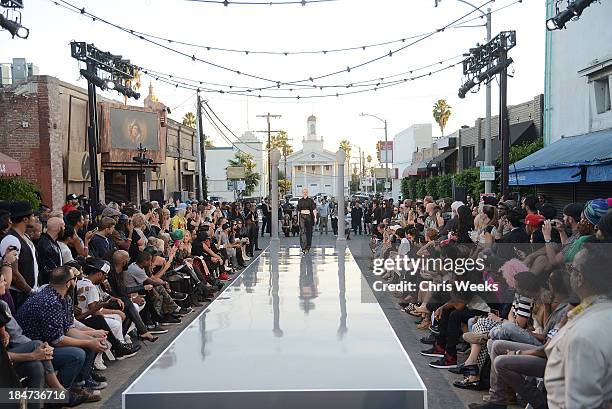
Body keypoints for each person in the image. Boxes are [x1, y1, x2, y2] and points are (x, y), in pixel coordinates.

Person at [16, 265, 108, 396]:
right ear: (68, 283)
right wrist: (89, 342)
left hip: (46, 343)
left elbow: (68, 329)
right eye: (75, 278)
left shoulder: (63, 297)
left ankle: (78, 385)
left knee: (89, 344)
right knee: (77, 354)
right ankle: (60, 395)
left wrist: (92, 339)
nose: (76, 281)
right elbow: (58, 340)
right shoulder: (50, 301)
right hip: (33, 348)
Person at [0, 201, 40, 310]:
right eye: (32, 216)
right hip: (19, 297)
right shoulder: (11, 239)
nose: (35, 218)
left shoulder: (24, 236)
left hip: (27, 295)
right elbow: (14, 273)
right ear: (25, 219)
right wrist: (30, 292)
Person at [297, 188, 316, 253]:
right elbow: (298, 211)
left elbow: (314, 210)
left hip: (308, 217)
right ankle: (303, 247)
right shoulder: (300, 201)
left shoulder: (310, 200)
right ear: (302, 193)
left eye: (306, 192)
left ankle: (308, 247)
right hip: (301, 216)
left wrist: (315, 217)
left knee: (309, 232)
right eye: (304, 192)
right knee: (302, 231)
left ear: (307, 193)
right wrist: (297, 219)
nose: (305, 193)